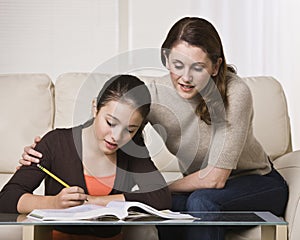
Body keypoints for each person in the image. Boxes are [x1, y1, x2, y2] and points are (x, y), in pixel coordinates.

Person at [18, 17, 288, 240]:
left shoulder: (236, 92)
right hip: (197, 190)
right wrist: (47, 147)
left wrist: (161, 188)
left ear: (216, 66)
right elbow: (112, 125)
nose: (185, 77)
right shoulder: (154, 96)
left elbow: (215, 179)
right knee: (161, 208)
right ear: (166, 59)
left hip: (257, 183)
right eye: (177, 65)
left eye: (198, 68)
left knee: (199, 203)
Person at [0, 74, 171, 240]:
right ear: (95, 108)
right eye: (111, 123)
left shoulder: (132, 149)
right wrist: (54, 203)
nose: (116, 137)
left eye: (130, 129)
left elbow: (160, 197)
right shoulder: (56, 142)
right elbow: (7, 198)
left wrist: (96, 201)